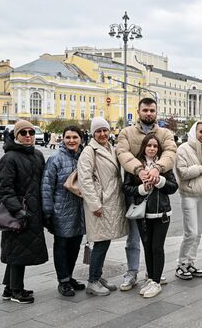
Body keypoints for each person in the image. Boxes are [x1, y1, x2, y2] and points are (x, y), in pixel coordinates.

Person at [116, 97, 177, 290]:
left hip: (157, 197)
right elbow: (122, 153)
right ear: (139, 111)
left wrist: (157, 168)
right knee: (134, 237)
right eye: (145, 110)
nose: (148, 113)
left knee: (154, 242)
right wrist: (139, 170)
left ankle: (153, 273)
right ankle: (132, 272)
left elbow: (170, 153)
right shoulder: (127, 132)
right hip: (136, 191)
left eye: (152, 110)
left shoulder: (165, 133)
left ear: (156, 112)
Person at [0, 120, 48, 304]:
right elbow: (5, 190)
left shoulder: (38, 154)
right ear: (15, 136)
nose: (28, 136)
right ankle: (17, 292)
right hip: (18, 212)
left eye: (31, 132)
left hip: (33, 212)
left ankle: (9, 288)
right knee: (17, 251)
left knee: (17, 251)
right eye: (23, 133)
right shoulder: (9, 158)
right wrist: (18, 211)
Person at [78, 117, 129, 296]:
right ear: (93, 133)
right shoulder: (89, 151)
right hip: (99, 203)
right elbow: (84, 180)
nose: (102, 134)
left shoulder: (111, 148)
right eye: (98, 131)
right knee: (100, 241)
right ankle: (92, 281)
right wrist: (94, 204)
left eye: (105, 130)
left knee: (104, 240)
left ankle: (97, 276)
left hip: (110, 201)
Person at [123, 133, 178, 298]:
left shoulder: (163, 165)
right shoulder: (136, 165)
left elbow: (173, 187)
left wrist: (159, 180)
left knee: (157, 247)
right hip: (143, 214)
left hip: (161, 213)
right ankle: (151, 278)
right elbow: (126, 187)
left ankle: (156, 282)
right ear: (143, 147)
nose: (152, 149)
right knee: (147, 247)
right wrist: (141, 189)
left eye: (155, 146)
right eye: (149, 145)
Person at [41, 126, 86, 296]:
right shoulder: (55, 159)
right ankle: (63, 281)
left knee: (75, 245)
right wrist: (48, 212)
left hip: (80, 211)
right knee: (61, 246)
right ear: (63, 139)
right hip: (61, 212)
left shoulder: (84, 158)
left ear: (81, 139)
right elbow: (46, 187)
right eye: (68, 137)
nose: (71, 140)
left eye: (75, 137)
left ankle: (69, 276)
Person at [175, 121, 202, 280]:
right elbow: (182, 173)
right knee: (191, 232)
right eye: (201, 132)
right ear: (194, 132)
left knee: (198, 233)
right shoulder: (183, 149)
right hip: (189, 194)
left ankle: (190, 262)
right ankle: (181, 264)